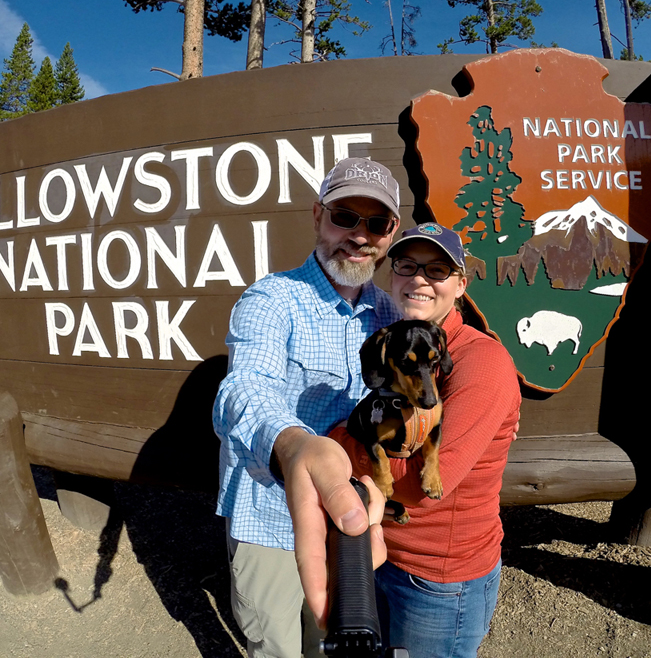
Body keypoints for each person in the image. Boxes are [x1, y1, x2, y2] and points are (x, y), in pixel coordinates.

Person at [213, 156, 404, 658]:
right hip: (269, 515)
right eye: (345, 216)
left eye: (376, 223)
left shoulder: (390, 312)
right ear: (318, 216)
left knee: (332, 642)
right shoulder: (272, 299)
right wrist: (293, 443)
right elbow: (244, 388)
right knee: (274, 644)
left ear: (391, 233)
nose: (359, 235)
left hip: (349, 521)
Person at [329, 222, 522, 658]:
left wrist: (336, 444)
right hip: (378, 552)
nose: (418, 279)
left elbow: (426, 484)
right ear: (392, 274)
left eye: (436, 270)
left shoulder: (482, 364)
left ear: (461, 284)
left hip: (436, 579)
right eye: (407, 266)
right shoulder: (392, 342)